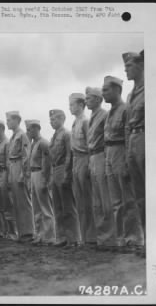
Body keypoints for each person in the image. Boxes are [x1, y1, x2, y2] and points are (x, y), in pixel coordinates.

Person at [102, 76, 144, 253]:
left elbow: (127, 135)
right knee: (116, 202)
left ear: (117, 90)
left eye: (106, 90)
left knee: (128, 199)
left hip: (121, 151)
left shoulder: (125, 109)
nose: (104, 93)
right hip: (110, 154)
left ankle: (133, 239)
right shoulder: (110, 111)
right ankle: (120, 238)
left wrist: (127, 160)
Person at [85, 87, 117, 251]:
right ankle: (102, 237)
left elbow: (106, 138)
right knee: (96, 200)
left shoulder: (104, 115)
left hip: (101, 155)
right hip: (92, 157)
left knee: (105, 199)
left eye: (89, 98)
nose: (86, 101)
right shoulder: (92, 116)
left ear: (98, 99)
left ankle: (110, 238)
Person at [123, 51, 146, 257]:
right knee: (139, 197)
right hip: (133, 142)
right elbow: (127, 125)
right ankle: (147, 241)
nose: (126, 69)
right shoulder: (130, 95)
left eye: (129, 65)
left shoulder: (151, 89)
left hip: (146, 139)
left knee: (152, 194)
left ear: (141, 66)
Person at [48, 109, 81, 248]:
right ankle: (61, 237)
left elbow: (69, 154)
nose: (51, 121)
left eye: (54, 119)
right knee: (57, 207)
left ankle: (73, 239)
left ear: (62, 119)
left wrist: (67, 172)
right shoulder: (54, 136)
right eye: (50, 119)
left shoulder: (66, 134)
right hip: (55, 169)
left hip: (63, 169)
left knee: (68, 206)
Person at [69, 93, 96, 246]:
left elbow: (90, 144)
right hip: (75, 160)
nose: (70, 107)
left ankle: (92, 237)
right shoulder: (75, 122)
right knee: (79, 201)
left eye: (72, 104)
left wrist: (88, 165)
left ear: (80, 105)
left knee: (88, 200)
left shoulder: (85, 121)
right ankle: (84, 237)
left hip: (84, 158)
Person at [6, 111, 34, 243]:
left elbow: (26, 155)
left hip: (19, 167)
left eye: (9, 120)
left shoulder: (22, 135)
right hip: (12, 167)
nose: (7, 122)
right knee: (16, 202)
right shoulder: (13, 136)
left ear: (17, 120)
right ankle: (21, 233)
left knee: (24, 201)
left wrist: (24, 173)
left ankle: (28, 233)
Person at [27, 120, 56, 246]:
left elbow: (48, 162)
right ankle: (39, 234)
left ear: (36, 128)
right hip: (33, 173)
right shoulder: (34, 143)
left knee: (45, 207)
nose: (28, 132)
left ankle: (49, 236)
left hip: (40, 173)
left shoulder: (43, 143)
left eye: (29, 129)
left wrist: (45, 179)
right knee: (37, 207)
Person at [0, 120, 17, 239]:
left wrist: (8, 179)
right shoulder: (0, 143)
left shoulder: (6, 143)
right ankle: (7, 231)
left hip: (5, 174)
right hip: (0, 174)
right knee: (3, 204)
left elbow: (8, 162)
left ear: (1, 129)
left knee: (9, 204)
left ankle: (13, 232)